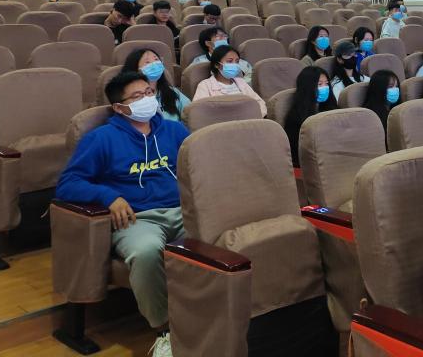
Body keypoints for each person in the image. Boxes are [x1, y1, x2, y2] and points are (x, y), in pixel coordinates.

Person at [55, 72, 188, 356]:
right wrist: (108, 196)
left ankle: (209, 317)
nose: (147, 99)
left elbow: (198, 166)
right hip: (138, 218)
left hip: (182, 211)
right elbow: (68, 184)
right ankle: (165, 330)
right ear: (119, 107)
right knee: (146, 251)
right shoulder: (101, 138)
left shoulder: (175, 131)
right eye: (137, 96)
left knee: (220, 235)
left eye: (149, 93)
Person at [191, 44, 265, 116]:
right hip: (222, 122)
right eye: (229, 61)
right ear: (217, 65)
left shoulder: (241, 82)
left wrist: (254, 117)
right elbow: (198, 110)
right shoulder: (205, 85)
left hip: (249, 120)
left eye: (237, 61)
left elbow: (259, 102)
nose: (235, 65)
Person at [284, 66, 337, 164]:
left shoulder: (331, 107)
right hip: (310, 162)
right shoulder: (296, 117)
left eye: (326, 84)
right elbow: (299, 151)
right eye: (319, 84)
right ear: (307, 87)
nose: (325, 88)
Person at [122, 48, 190, 122]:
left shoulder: (172, 91)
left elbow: (190, 112)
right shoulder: (131, 98)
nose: (154, 64)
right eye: (147, 62)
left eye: (156, 59)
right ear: (136, 70)